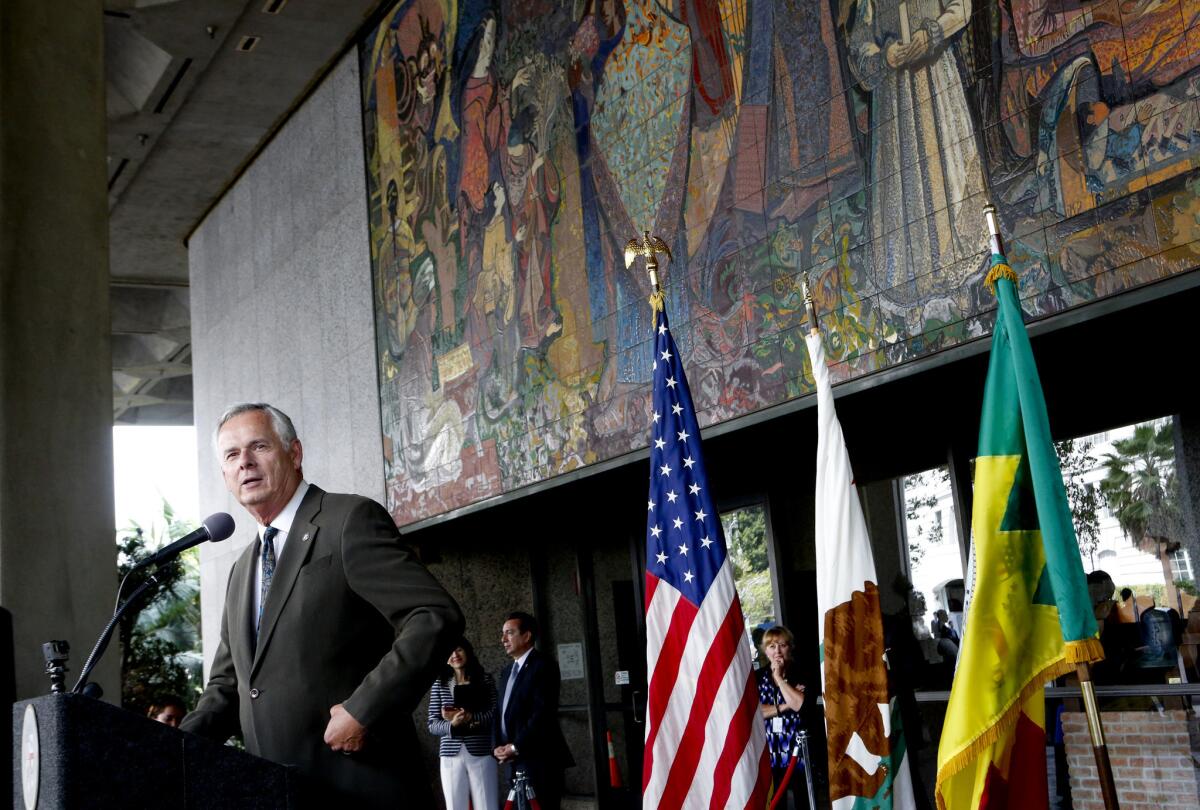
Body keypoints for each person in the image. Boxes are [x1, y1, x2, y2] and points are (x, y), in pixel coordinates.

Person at [179, 402, 464, 808]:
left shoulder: (348, 520)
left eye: (258, 446)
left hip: (361, 787)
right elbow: (229, 687)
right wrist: (169, 750)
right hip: (280, 793)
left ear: (294, 454)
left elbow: (434, 615)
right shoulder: (242, 568)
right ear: (224, 474)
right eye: (231, 455)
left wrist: (365, 710)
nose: (244, 463)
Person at [494, 611, 573, 809]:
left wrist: (515, 746)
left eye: (509, 633)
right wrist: (496, 746)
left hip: (539, 760)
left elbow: (542, 714)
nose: (503, 639)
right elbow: (499, 711)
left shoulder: (543, 666)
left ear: (527, 636)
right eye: (503, 633)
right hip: (512, 761)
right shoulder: (506, 672)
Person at [427, 638, 499, 810]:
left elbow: (495, 713)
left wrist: (471, 718)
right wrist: (452, 724)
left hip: (481, 750)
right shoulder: (440, 684)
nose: (455, 655)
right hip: (450, 754)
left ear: (467, 652)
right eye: (450, 652)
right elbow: (432, 723)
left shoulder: (485, 680)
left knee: (487, 805)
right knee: (454, 806)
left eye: (459, 650)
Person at [757, 626, 812, 808]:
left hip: (797, 751)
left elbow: (799, 705)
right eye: (772, 646)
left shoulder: (801, 672)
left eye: (782, 645)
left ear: (790, 647)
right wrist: (785, 705)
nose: (777, 651)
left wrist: (779, 678)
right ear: (765, 650)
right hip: (770, 751)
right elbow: (757, 712)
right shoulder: (757, 677)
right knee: (775, 803)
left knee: (801, 802)